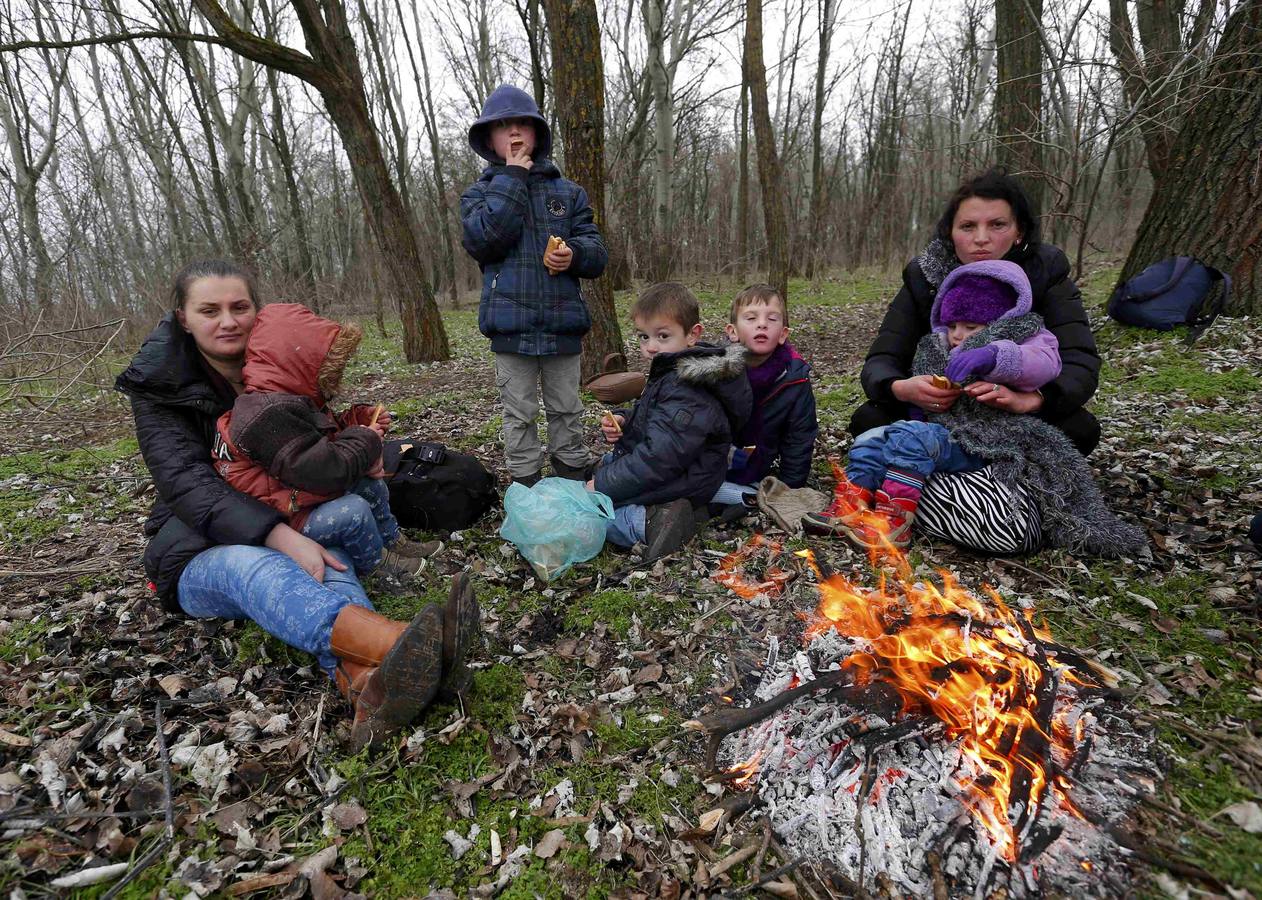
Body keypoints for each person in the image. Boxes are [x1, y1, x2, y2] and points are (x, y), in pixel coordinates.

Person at [116, 260, 477, 751]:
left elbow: (314, 461)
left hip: (294, 518)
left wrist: (361, 441)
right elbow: (186, 484)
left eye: (239, 307)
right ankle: (407, 646)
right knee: (263, 568)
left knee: (327, 561)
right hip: (198, 546)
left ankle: (366, 684)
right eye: (210, 310)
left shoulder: (280, 366)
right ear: (183, 317)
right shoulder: (161, 388)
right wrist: (277, 534)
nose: (228, 321)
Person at [844, 168, 1103, 555]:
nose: (981, 238)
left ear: (1018, 231)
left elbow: (1080, 361)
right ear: (951, 232)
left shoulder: (1045, 272)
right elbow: (882, 358)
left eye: (997, 224)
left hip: (1013, 415)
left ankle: (928, 482)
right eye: (968, 226)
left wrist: (1032, 400)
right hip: (938, 413)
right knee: (868, 419)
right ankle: (941, 484)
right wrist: (904, 387)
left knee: (1080, 429)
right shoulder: (924, 275)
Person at [806, 261, 1060, 548]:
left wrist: (993, 355)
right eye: (952, 325)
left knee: (915, 437)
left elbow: (1042, 364)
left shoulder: (1026, 336)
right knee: (871, 438)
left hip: (986, 439)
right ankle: (850, 506)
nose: (958, 335)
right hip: (940, 434)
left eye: (971, 327)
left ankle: (894, 521)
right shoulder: (936, 348)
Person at [212, 303, 434, 578]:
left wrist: (358, 420)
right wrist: (365, 440)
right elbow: (321, 470)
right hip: (286, 517)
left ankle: (391, 539)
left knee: (369, 483)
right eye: (325, 366)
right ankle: (377, 564)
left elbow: (325, 435)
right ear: (299, 362)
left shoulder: (288, 398)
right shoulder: (265, 416)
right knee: (353, 510)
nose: (335, 374)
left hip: (301, 496)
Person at [461, 84, 609, 486]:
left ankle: (573, 480)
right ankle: (525, 485)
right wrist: (512, 178)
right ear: (488, 139)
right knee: (519, 413)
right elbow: (485, 240)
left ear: (537, 133)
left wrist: (573, 255)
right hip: (510, 328)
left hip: (562, 324)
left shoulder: (568, 193)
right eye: (503, 126)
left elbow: (597, 252)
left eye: (522, 124)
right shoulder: (478, 194)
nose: (513, 133)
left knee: (567, 409)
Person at [590, 283, 751, 558]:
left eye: (662, 336)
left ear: (692, 334)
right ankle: (683, 507)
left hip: (685, 476)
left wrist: (601, 486)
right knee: (600, 474)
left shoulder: (689, 388)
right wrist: (625, 420)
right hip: (683, 467)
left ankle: (649, 522)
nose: (651, 347)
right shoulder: (673, 370)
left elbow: (659, 459)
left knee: (593, 515)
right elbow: (657, 418)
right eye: (643, 337)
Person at [710, 283, 818, 513]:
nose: (762, 324)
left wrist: (789, 490)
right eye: (751, 318)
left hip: (755, 466)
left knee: (761, 494)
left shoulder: (794, 379)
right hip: (707, 462)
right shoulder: (714, 370)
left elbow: (799, 438)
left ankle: (743, 498)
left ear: (783, 334)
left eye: (772, 319)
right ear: (732, 332)